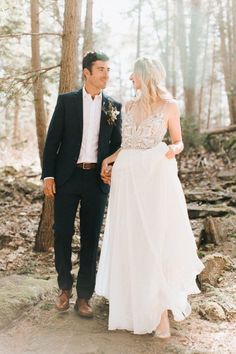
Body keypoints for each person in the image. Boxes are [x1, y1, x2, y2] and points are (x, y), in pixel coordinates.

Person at [95, 57, 204, 337]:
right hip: (128, 175)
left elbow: (179, 141)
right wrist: (110, 159)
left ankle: (160, 312)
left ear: (145, 76)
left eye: (134, 74)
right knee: (131, 239)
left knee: (155, 237)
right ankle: (133, 308)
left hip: (154, 175)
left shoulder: (170, 106)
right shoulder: (128, 106)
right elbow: (129, 144)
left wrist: (172, 150)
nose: (130, 78)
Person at [41, 51, 122, 317]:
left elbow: (117, 145)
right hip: (67, 177)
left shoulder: (114, 107)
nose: (106, 74)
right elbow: (53, 141)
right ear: (86, 72)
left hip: (97, 181)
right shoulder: (67, 102)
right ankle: (64, 287)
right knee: (62, 232)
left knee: (90, 238)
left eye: (108, 70)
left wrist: (110, 166)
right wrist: (48, 175)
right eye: (101, 69)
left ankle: (84, 296)